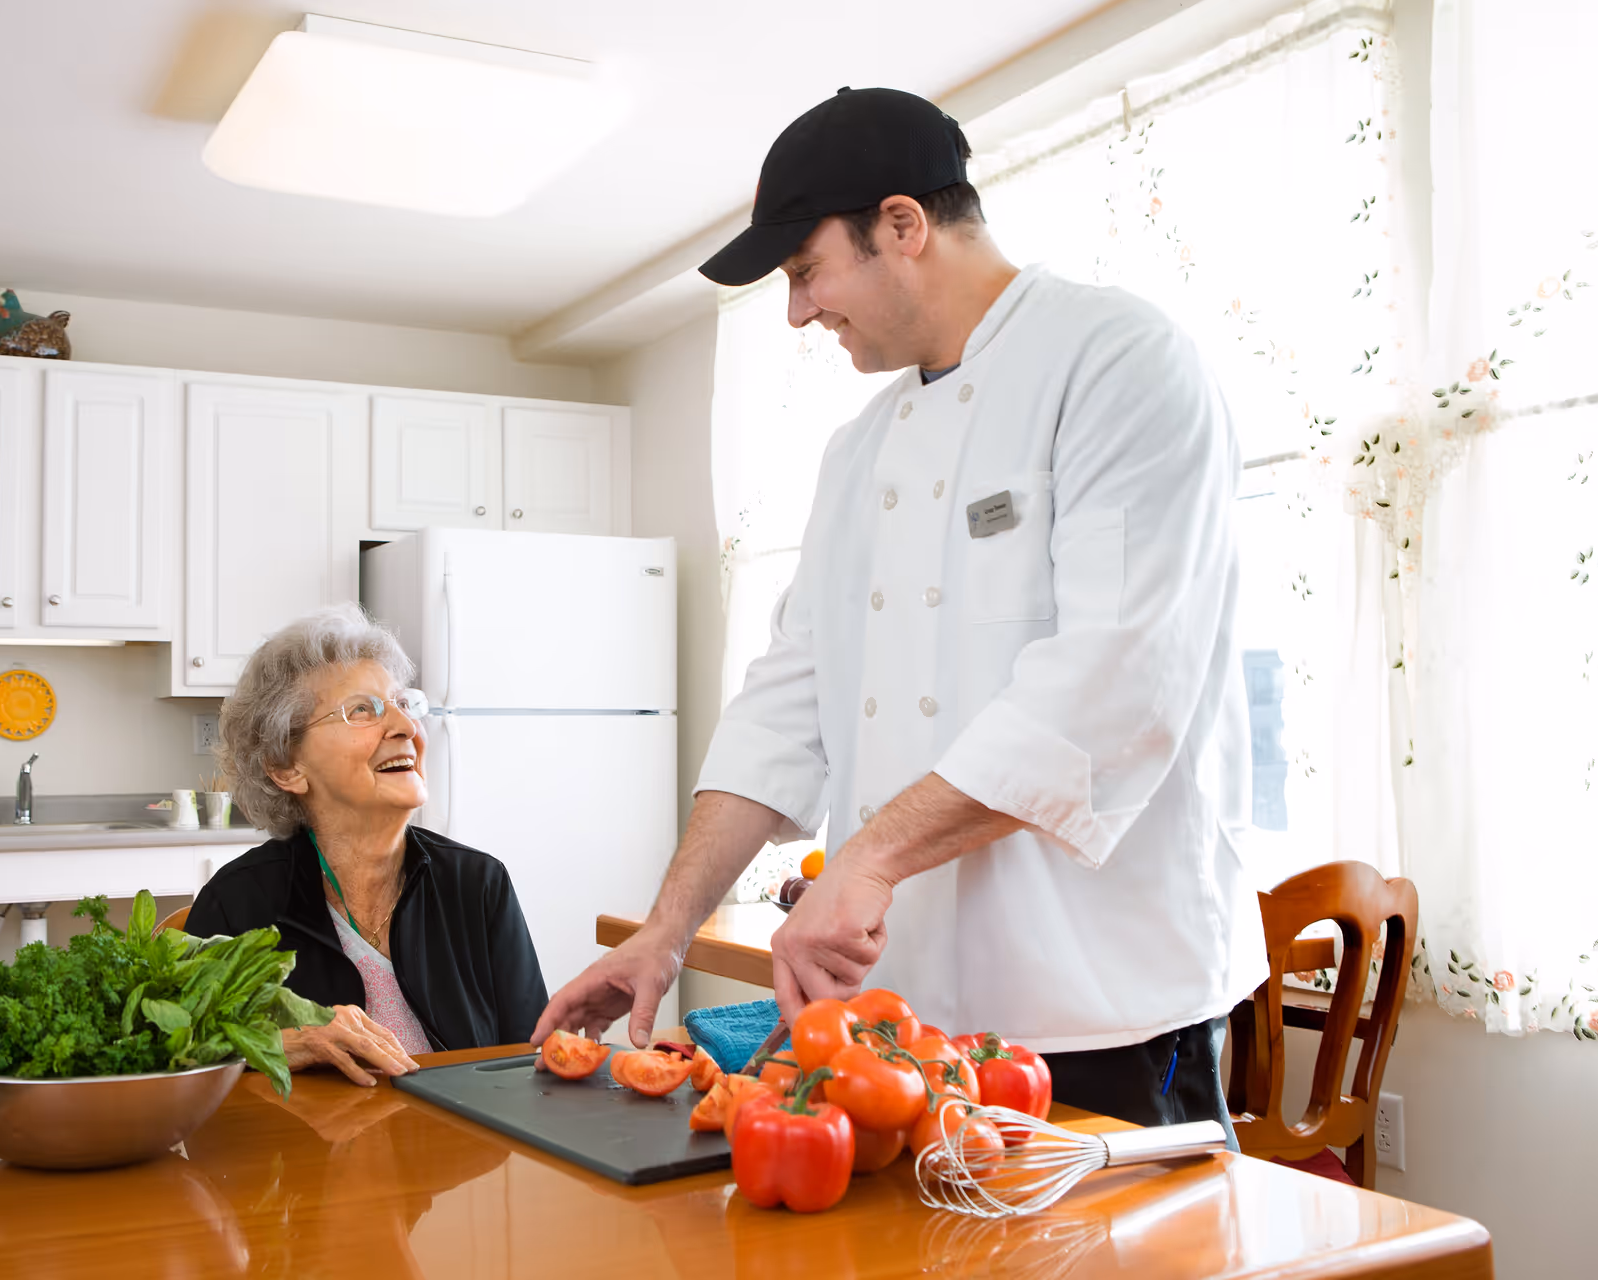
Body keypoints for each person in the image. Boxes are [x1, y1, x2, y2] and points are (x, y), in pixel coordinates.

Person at [534, 87, 1265, 1131]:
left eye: (805, 271)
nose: (796, 311)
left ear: (903, 226)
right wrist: (667, 927)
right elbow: (785, 705)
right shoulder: (858, 451)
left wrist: (871, 855)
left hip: (1099, 1013)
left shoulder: (1118, 360)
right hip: (900, 1021)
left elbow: (1113, 681)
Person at [187, 604, 548, 1085]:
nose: (406, 728)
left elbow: (535, 1060)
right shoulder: (239, 902)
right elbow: (182, 1061)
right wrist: (280, 1042)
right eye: (363, 710)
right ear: (286, 767)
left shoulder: (477, 883)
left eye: (403, 704)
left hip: (464, 1155)